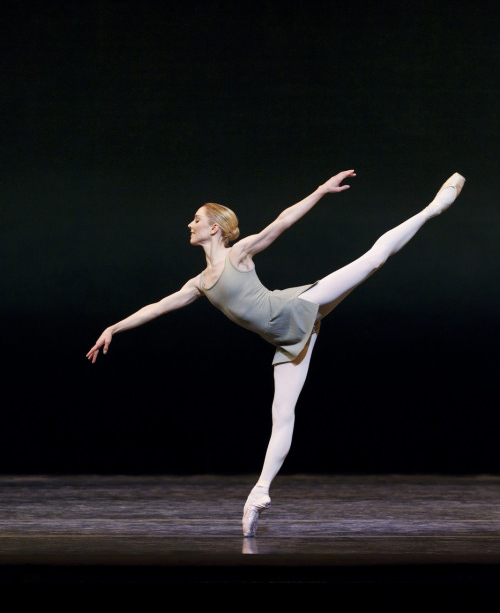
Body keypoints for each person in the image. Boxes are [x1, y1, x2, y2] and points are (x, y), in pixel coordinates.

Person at [87, 170, 465, 537]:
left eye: (196, 219)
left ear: (214, 228)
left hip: (298, 306)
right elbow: (156, 307)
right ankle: (259, 493)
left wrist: (319, 190)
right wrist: (113, 327)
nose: (190, 224)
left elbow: (281, 223)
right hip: (289, 341)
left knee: (372, 260)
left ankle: (433, 207)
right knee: (282, 415)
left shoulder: (239, 255)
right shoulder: (199, 284)